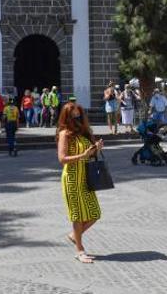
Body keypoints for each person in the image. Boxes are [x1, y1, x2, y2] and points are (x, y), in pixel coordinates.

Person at [56, 102, 103, 264]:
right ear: (67, 117)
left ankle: (73, 235)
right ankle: (80, 250)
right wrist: (82, 155)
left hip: (86, 177)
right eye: (74, 116)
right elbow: (62, 159)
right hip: (72, 178)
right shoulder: (65, 134)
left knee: (94, 213)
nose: (77, 118)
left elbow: (88, 155)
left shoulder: (83, 133)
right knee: (77, 215)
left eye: (79, 115)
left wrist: (96, 149)